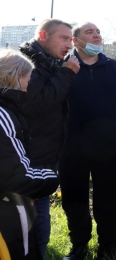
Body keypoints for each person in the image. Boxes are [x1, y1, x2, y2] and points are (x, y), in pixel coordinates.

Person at [60, 22, 116, 260]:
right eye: (89, 32)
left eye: (98, 32)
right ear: (76, 40)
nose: (96, 35)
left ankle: (109, 245)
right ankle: (79, 245)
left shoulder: (113, 68)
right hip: (71, 149)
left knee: (108, 197)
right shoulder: (64, 67)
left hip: (106, 148)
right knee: (74, 198)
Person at [19, 18, 80, 258]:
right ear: (43, 36)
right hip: (31, 155)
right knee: (35, 218)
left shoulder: (50, 61)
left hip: (46, 151)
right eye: (63, 38)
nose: (69, 44)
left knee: (38, 214)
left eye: (71, 39)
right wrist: (66, 73)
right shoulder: (26, 64)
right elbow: (38, 103)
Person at [0, 49, 60, 260]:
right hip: (7, 212)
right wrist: (53, 177)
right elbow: (18, 177)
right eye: (28, 77)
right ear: (17, 77)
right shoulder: (4, 116)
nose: (29, 84)